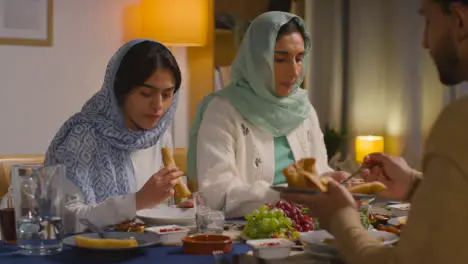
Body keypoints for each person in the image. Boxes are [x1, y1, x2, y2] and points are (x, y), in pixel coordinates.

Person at [283, 0, 468, 263]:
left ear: (460, 21)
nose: (425, 41)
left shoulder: (459, 123)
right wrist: (414, 185)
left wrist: (341, 219)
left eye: (428, 21)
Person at [187, 11, 345, 218]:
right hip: (245, 234)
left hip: (305, 227)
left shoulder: (303, 109)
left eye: (299, 59)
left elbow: (318, 174)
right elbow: (217, 193)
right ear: (256, 59)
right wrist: (286, 195)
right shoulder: (222, 109)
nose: (295, 71)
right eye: (281, 59)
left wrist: (334, 179)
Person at [45, 39, 184, 233]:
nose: (158, 105)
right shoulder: (83, 136)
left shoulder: (160, 136)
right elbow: (64, 220)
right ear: (120, 92)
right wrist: (136, 201)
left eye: (167, 95)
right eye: (146, 94)